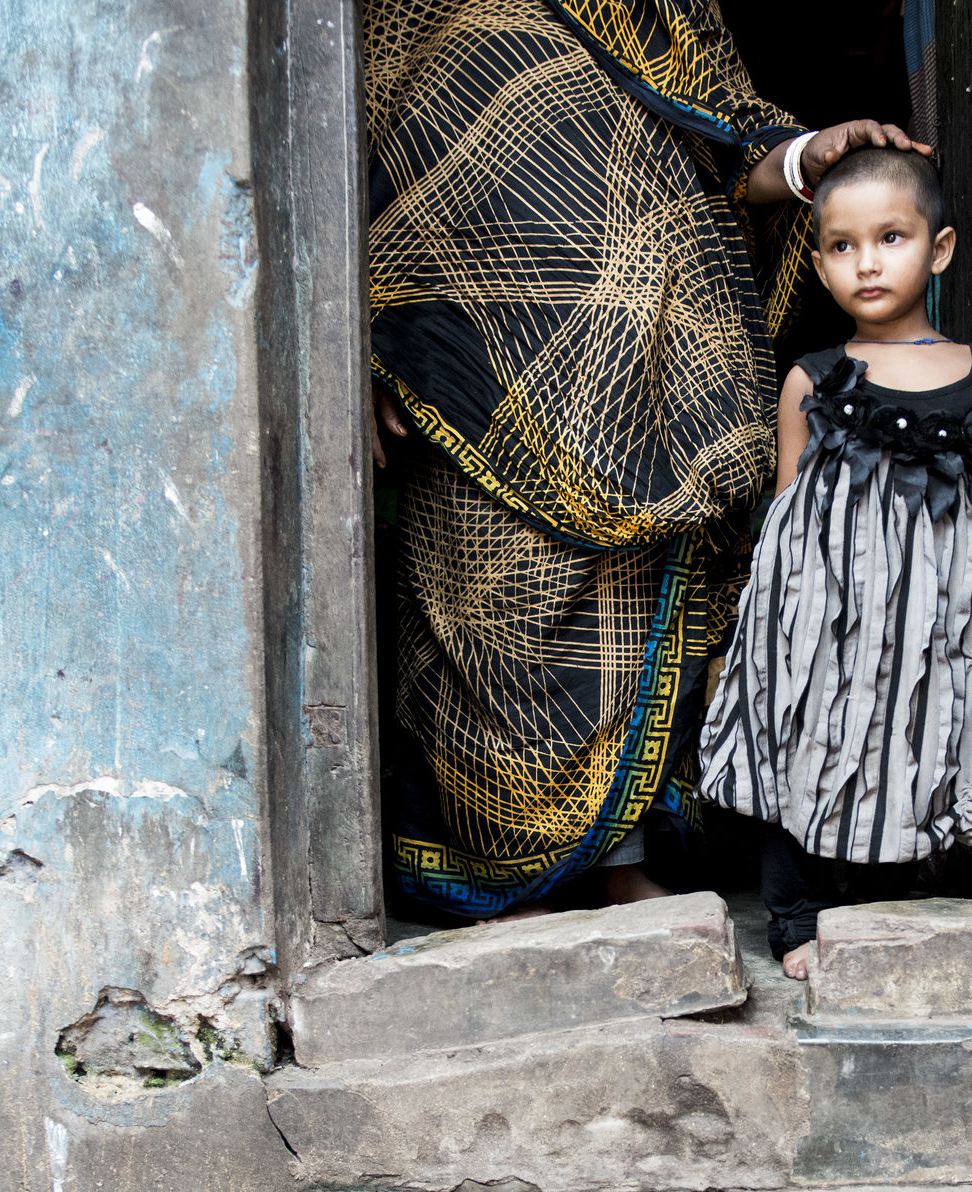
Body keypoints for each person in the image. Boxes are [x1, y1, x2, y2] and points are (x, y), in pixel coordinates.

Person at [364, 0, 928, 922]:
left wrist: (807, 156)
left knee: (627, 625)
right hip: (465, 363)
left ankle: (623, 865)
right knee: (490, 613)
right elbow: (348, 155)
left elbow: (723, 138)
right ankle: (508, 885)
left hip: (647, 366)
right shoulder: (406, 12)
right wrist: (363, 330)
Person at [697, 145, 972, 978]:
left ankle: (902, 907)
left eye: (891, 238)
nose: (867, 262)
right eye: (842, 245)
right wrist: (773, 636)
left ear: (937, 250)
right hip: (825, 617)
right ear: (819, 263)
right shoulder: (813, 378)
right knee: (805, 742)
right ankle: (796, 919)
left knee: (919, 737)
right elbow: (788, 508)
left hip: (927, 621)